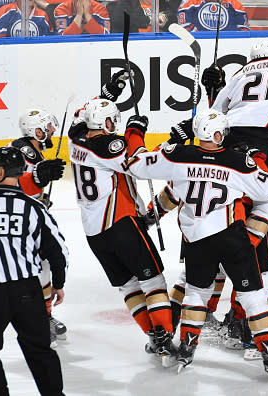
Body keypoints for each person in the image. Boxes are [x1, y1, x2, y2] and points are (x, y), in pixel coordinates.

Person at [122, 108, 268, 375]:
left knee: (196, 294)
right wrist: (254, 160)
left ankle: (186, 348)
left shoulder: (177, 156)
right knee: (253, 295)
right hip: (231, 236)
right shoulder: (237, 161)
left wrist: (137, 132)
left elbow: (136, 164)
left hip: (196, 240)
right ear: (219, 134)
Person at [67, 72, 175, 364]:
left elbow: (81, 114)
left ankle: (154, 338)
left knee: (128, 286)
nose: (115, 123)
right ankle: (165, 337)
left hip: (94, 234)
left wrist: (108, 92)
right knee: (152, 281)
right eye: (112, 119)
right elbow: (139, 164)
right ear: (104, 124)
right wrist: (136, 130)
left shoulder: (75, 138)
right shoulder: (109, 146)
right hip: (121, 223)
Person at [0, 146, 68, 396]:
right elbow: (58, 250)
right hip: (28, 292)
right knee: (40, 349)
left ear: (0, 172)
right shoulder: (34, 207)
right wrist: (59, 283)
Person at [13, 108, 69, 346]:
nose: (52, 130)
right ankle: (38, 320)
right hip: (20, 221)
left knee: (44, 264)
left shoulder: (34, 151)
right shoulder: (23, 152)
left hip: (30, 216)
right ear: (34, 130)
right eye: (47, 127)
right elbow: (13, 186)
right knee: (38, 268)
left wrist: (39, 198)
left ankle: (43, 316)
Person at [177, 0, 249, 32]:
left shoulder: (234, 4)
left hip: (228, 46)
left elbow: (244, 31)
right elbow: (184, 29)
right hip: (198, 45)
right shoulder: (190, 3)